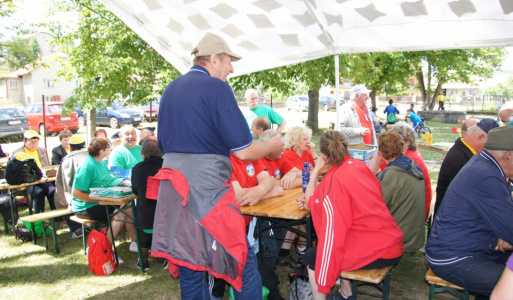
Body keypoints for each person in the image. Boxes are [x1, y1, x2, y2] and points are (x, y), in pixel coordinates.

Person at [153, 32, 284, 300]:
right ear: (213, 59)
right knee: (242, 261)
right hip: (206, 192)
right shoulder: (217, 88)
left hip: (174, 189)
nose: (231, 69)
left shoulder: (170, 88)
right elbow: (245, 150)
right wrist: (270, 149)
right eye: (228, 62)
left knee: (191, 267)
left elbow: (164, 144)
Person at [296, 130, 403, 300]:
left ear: (324, 156)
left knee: (313, 256)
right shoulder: (360, 166)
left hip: (378, 250)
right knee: (344, 239)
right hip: (392, 241)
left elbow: (310, 201)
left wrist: (315, 171)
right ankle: (345, 293)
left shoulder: (332, 181)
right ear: (347, 148)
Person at [426, 126, 513, 299]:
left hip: (471, 247)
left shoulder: (486, 163)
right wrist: (505, 232)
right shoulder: (487, 175)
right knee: (507, 286)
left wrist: (504, 232)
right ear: (508, 156)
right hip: (454, 257)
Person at [71, 138, 133, 257]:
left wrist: (124, 182)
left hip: (99, 201)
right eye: (108, 147)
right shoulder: (87, 166)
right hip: (85, 206)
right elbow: (76, 193)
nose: (110, 149)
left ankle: (134, 243)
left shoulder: (101, 163)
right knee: (120, 214)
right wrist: (99, 199)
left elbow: (107, 180)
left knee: (129, 209)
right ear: (101, 151)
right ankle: (106, 250)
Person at [434, 118, 498, 216]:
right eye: (490, 144)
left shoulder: (466, 152)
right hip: (451, 222)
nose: (491, 149)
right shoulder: (460, 160)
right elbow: (478, 199)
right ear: (480, 137)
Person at [370, 122, 432, 221]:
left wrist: (380, 153)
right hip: (414, 211)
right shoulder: (407, 156)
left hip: (413, 215)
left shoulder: (407, 160)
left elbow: (373, 176)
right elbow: (374, 172)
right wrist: (379, 152)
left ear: (406, 143)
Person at [376, 131, 425, 253]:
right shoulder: (411, 165)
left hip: (401, 240)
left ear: (380, 152)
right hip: (414, 235)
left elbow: (375, 208)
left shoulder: (391, 175)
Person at [131, 137, 163, 270]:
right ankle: (167, 258)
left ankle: (143, 260)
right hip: (165, 215)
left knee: (142, 230)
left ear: (143, 154)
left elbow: (135, 191)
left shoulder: (137, 168)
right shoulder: (166, 165)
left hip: (146, 216)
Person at [13, 130, 55, 213]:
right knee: (38, 193)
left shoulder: (43, 150)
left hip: (42, 179)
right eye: (32, 141)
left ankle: (58, 219)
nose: (34, 144)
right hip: (28, 182)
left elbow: (46, 167)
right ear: (24, 142)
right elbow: (18, 173)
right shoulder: (17, 153)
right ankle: (40, 220)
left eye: (36, 141)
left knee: (52, 190)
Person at [54, 135, 88, 238]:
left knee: (63, 201)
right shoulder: (91, 156)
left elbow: (63, 184)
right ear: (84, 146)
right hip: (92, 196)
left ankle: (76, 229)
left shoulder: (67, 159)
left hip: (76, 197)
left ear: (71, 147)